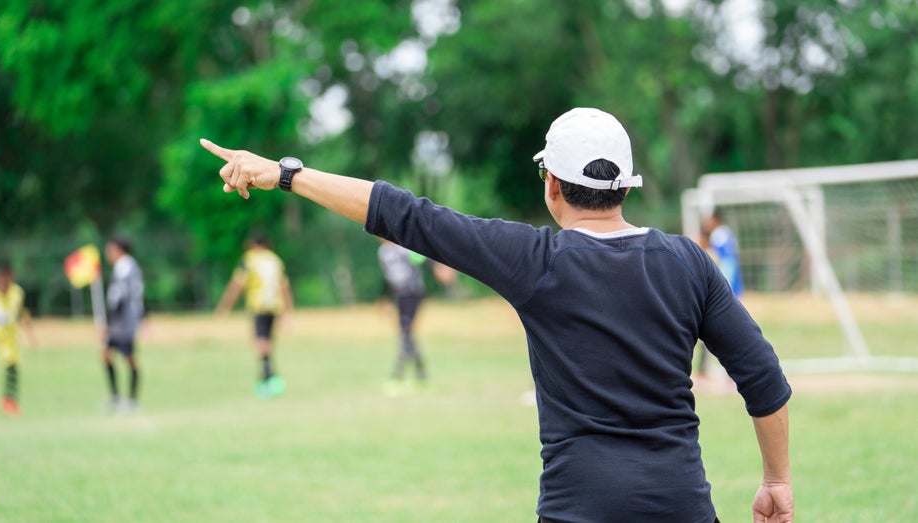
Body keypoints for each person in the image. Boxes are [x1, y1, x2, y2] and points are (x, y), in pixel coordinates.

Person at [200, 107, 793, 523]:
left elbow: (404, 214)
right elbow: (764, 382)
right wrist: (775, 482)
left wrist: (285, 174)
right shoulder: (688, 261)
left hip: (576, 507)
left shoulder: (535, 260)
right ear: (625, 187)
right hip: (681, 505)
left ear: (552, 185)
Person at [216, 235, 294, 398]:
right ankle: (270, 375)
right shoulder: (275, 260)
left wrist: (225, 306)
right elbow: (284, 286)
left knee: (260, 341)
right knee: (268, 341)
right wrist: (288, 312)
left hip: (259, 306)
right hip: (275, 306)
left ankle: (268, 377)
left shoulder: (250, 260)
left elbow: (237, 285)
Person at [377, 239, 456, 395]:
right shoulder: (383, 253)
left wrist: (439, 269)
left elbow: (424, 259)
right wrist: (384, 298)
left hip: (413, 294)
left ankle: (397, 377)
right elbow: (388, 278)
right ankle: (422, 377)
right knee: (408, 335)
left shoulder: (404, 249)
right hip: (399, 297)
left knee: (405, 333)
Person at [695, 211, 745, 386]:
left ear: (715, 219)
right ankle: (707, 372)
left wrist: (725, 289)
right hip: (727, 292)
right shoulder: (723, 236)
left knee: (719, 332)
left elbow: (728, 264)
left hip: (722, 294)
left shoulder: (720, 236)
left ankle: (722, 373)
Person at [102, 237, 145, 413]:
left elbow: (118, 297)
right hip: (122, 320)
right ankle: (116, 397)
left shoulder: (124, 267)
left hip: (122, 321)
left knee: (129, 358)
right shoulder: (129, 266)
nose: (108, 253)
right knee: (106, 354)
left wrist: (107, 321)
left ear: (119, 249)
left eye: (110, 249)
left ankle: (131, 400)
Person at [0, 262, 37, 417]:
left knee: (14, 367)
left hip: (12, 337)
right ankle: (8, 400)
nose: (1, 282)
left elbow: (23, 314)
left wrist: (31, 337)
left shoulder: (17, 293)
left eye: (4, 278)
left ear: (10, 277)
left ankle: (10, 399)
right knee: (10, 364)